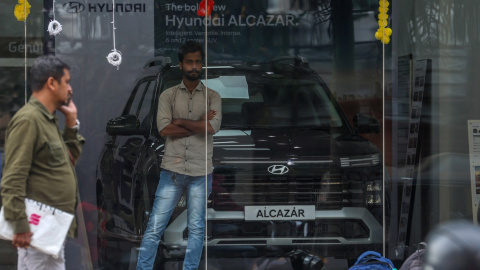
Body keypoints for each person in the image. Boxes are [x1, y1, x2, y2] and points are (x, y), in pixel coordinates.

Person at [136, 41, 222, 270]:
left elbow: (212, 128)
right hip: (172, 173)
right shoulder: (168, 96)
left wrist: (181, 121)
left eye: (197, 62)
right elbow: (165, 130)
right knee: (155, 226)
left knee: (196, 229)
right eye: (189, 62)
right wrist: (199, 123)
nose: (194, 66)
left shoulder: (213, 97)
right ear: (181, 64)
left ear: (202, 64)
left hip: (201, 172)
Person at [0, 55, 85, 269]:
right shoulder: (29, 120)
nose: (70, 89)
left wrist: (71, 121)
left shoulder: (47, 119)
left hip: (51, 231)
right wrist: (20, 225)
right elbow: (12, 179)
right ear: (51, 83)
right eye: (66, 81)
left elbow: (70, 160)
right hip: (36, 230)